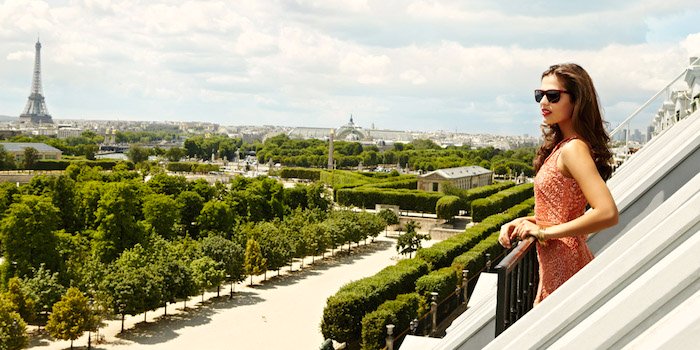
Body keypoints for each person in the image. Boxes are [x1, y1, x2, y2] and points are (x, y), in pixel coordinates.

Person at [498, 63, 619, 304]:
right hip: (556, 262)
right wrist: (525, 221)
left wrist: (543, 232)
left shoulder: (573, 148)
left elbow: (608, 213)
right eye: (539, 95)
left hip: (565, 263)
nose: (544, 102)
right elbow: (562, 214)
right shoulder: (563, 147)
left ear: (577, 100)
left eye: (553, 96)